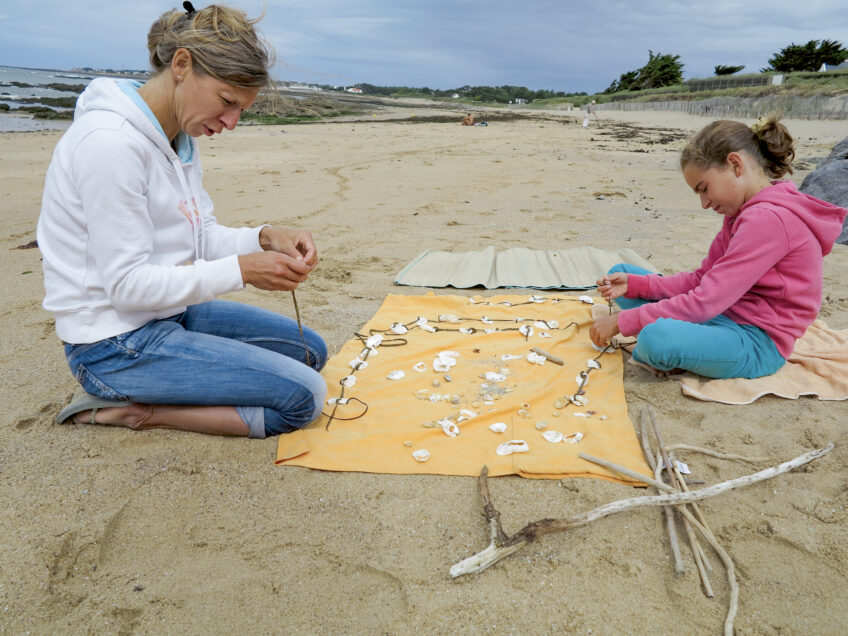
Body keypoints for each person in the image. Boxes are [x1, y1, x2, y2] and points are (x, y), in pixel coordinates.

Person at [37, 2, 328, 438]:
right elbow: (126, 286)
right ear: (181, 65)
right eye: (227, 101)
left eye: (241, 110)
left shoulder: (177, 139)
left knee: (310, 352)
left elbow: (200, 235)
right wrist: (243, 271)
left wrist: (264, 238)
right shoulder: (110, 144)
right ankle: (141, 412)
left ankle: (178, 380)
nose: (231, 122)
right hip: (111, 345)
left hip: (167, 315)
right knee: (304, 398)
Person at [590, 115, 847, 379]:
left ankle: (685, 352)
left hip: (757, 341)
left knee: (656, 339)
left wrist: (622, 321)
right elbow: (702, 280)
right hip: (722, 313)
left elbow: (705, 301)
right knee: (623, 274)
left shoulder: (769, 220)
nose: (704, 203)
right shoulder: (741, 214)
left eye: (704, 188)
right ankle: (690, 347)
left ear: (735, 164)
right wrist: (637, 285)